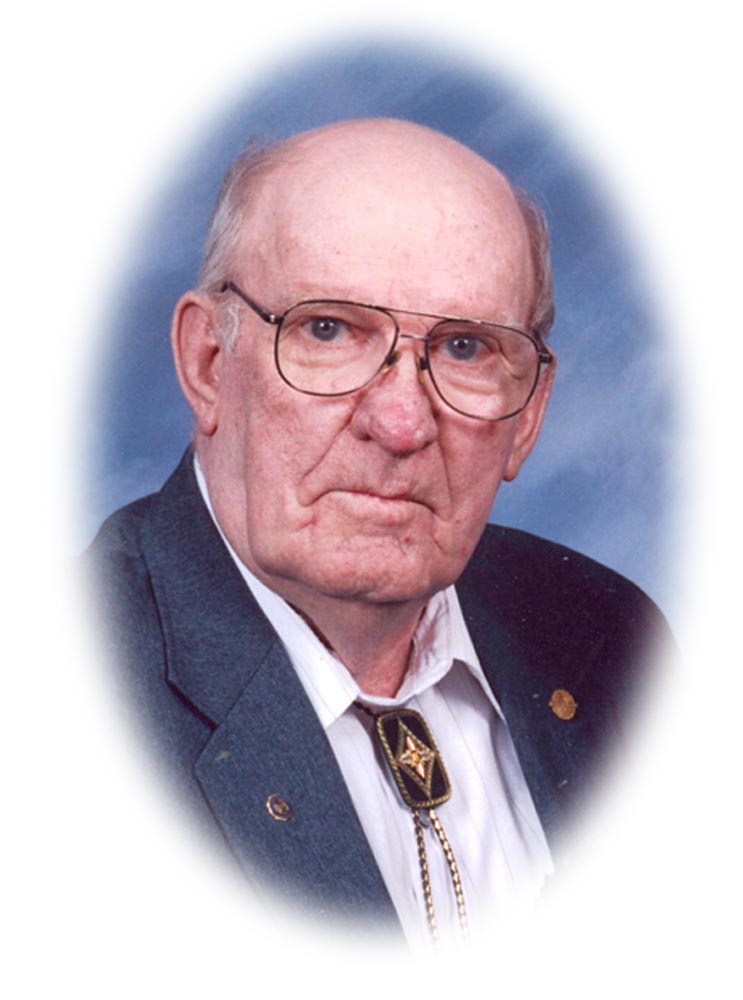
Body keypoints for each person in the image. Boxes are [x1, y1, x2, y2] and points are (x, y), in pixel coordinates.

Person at [89, 117, 669, 949]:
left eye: (465, 348)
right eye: (327, 330)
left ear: (528, 416)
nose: (401, 424)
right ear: (208, 363)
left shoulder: (613, 638)